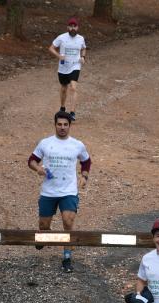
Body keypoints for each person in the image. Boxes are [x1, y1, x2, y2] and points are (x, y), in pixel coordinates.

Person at [28, 111, 91, 273]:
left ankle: (67, 256)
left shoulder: (77, 144)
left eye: (65, 124)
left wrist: (84, 177)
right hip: (49, 191)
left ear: (70, 126)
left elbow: (86, 161)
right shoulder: (45, 143)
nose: (62, 127)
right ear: (55, 125)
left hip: (69, 191)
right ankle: (44, 236)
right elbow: (31, 160)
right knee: (43, 226)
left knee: (68, 222)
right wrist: (38, 168)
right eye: (59, 124)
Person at [48, 17, 87, 121]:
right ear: (67, 27)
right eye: (71, 26)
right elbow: (51, 48)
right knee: (64, 88)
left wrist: (83, 57)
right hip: (63, 67)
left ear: (77, 27)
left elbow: (83, 48)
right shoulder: (61, 37)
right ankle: (62, 107)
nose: (72, 28)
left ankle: (73, 112)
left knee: (73, 87)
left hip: (75, 65)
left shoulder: (81, 38)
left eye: (75, 26)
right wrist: (58, 56)